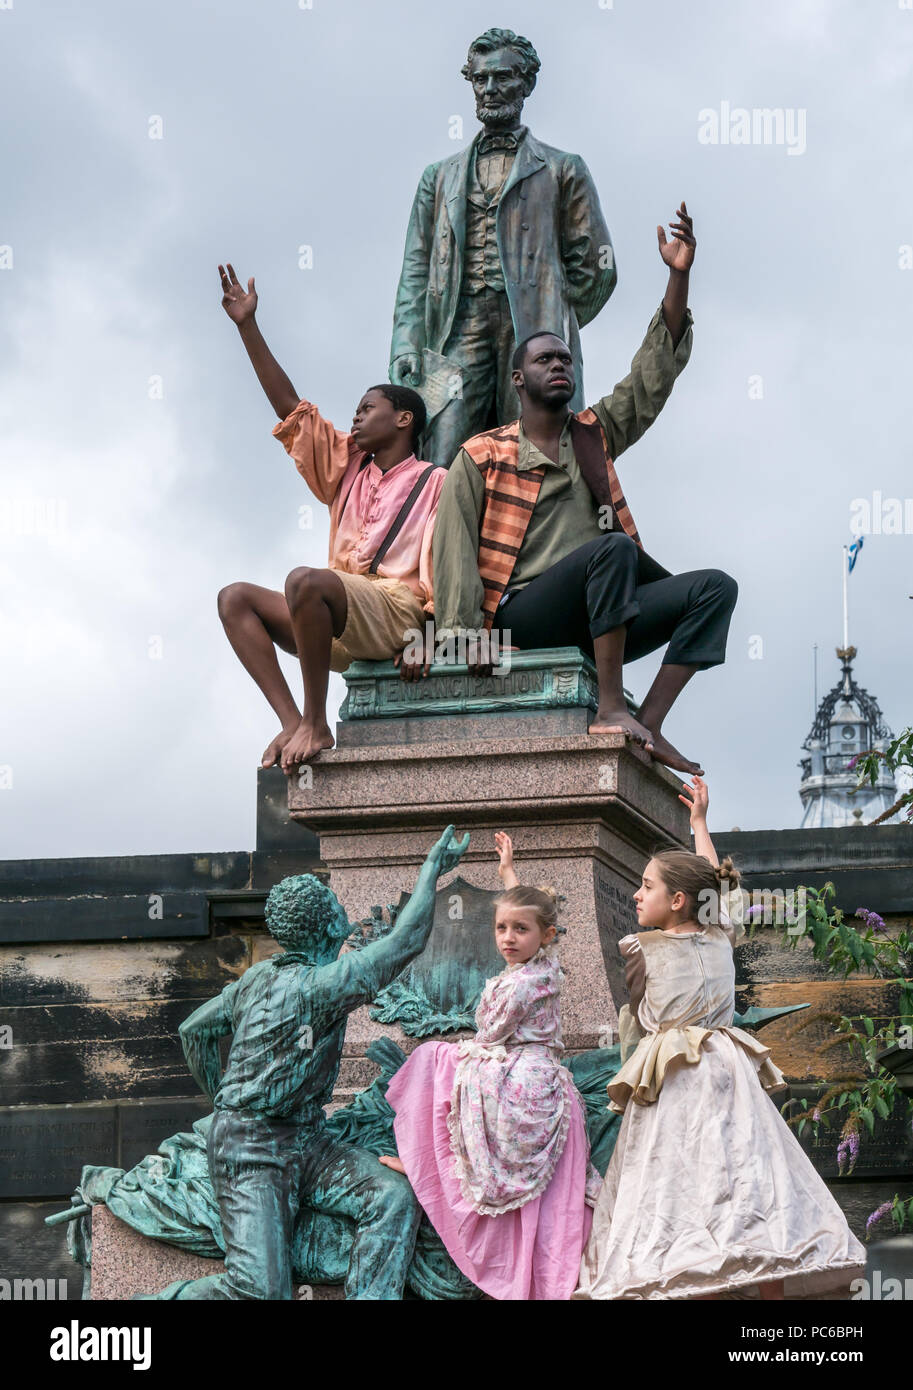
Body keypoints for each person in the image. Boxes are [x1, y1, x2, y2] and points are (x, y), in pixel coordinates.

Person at [431, 203, 736, 776]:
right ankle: (610, 708)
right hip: (523, 614)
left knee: (715, 589)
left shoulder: (593, 435)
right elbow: (452, 558)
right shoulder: (482, 454)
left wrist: (679, 275)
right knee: (614, 547)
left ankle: (649, 719)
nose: (560, 366)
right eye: (546, 359)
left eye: (566, 359)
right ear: (519, 379)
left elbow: (651, 377)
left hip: (604, 614)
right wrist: (460, 640)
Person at [574, 778, 867, 1301]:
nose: (636, 894)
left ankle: (700, 1288)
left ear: (678, 899)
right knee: (752, 1182)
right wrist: (699, 825)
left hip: (680, 1079)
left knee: (685, 1189)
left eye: (646, 886)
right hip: (728, 1071)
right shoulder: (719, 931)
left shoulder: (642, 950)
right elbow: (720, 891)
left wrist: (701, 826)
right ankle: (768, 1303)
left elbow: (643, 1019)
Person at [150, 825, 470, 1301]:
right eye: (336, 903)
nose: (345, 908)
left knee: (391, 1196)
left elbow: (194, 1030)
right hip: (252, 1154)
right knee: (260, 1291)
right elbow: (404, 943)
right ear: (327, 926)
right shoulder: (318, 988)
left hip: (307, 1140)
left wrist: (219, 1099)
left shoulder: (258, 977)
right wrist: (430, 871)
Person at [215, 263, 446, 772]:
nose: (357, 416)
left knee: (305, 581)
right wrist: (247, 326)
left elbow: (443, 571)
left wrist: (429, 637)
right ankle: (292, 719)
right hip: (336, 623)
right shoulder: (347, 468)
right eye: (357, 410)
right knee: (235, 599)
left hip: (394, 614)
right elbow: (289, 407)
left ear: (404, 419)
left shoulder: (436, 481)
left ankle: (318, 724)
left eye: (369, 408)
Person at [379, 832, 599, 1301]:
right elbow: (532, 911)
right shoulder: (541, 965)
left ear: (545, 937)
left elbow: (490, 1037)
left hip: (525, 1076)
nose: (508, 938)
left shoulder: (524, 983)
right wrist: (507, 872)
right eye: (501, 929)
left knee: (432, 1058)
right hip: (532, 1071)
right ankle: (428, 1164)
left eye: (519, 931)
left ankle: (429, 1165)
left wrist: (460, 1052)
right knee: (443, 1061)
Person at [390, 27, 615, 466]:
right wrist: (405, 344)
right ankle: (449, 537)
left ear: (526, 83)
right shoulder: (438, 178)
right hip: (456, 331)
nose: (491, 90)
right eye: (481, 79)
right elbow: (415, 270)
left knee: (537, 453)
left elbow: (597, 268)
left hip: (531, 331)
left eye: (504, 77)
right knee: (446, 459)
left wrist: (553, 310)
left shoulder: (563, 168)